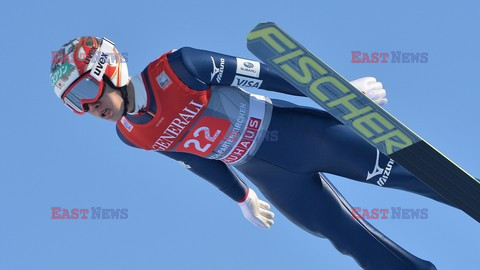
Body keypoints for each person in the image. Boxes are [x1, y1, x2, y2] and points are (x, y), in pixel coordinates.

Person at [50, 36, 452, 269]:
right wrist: (243, 198)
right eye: (74, 105)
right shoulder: (131, 134)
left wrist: (336, 92)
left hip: (300, 136)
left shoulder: (179, 67)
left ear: (109, 71)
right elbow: (194, 159)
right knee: (348, 239)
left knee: (404, 172)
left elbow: (264, 74)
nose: (89, 109)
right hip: (272, 178)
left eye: (86, 92)